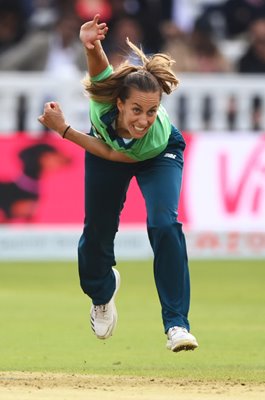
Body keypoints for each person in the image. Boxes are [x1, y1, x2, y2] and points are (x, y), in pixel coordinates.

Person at [38, 14, 198, 353]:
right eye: (137, 110)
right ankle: (102, 291)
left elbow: (117, 157)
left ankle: (177, 324)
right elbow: (98, 67)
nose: (143, 120)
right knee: (97, 231)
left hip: (156, 157)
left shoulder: (154, 134)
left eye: (152, 111)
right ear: (120, 103)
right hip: (104, 149)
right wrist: (91, 43)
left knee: (165, 224)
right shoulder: (103, 99)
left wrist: (65, 131)